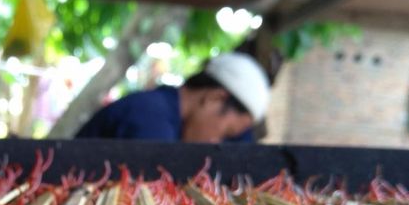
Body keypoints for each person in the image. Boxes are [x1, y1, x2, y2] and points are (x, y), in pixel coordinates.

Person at [75, 52, 269, 143]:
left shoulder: (160, 109)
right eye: (225, 132)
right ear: (214, 98)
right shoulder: (153, 123)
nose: (215, 142)